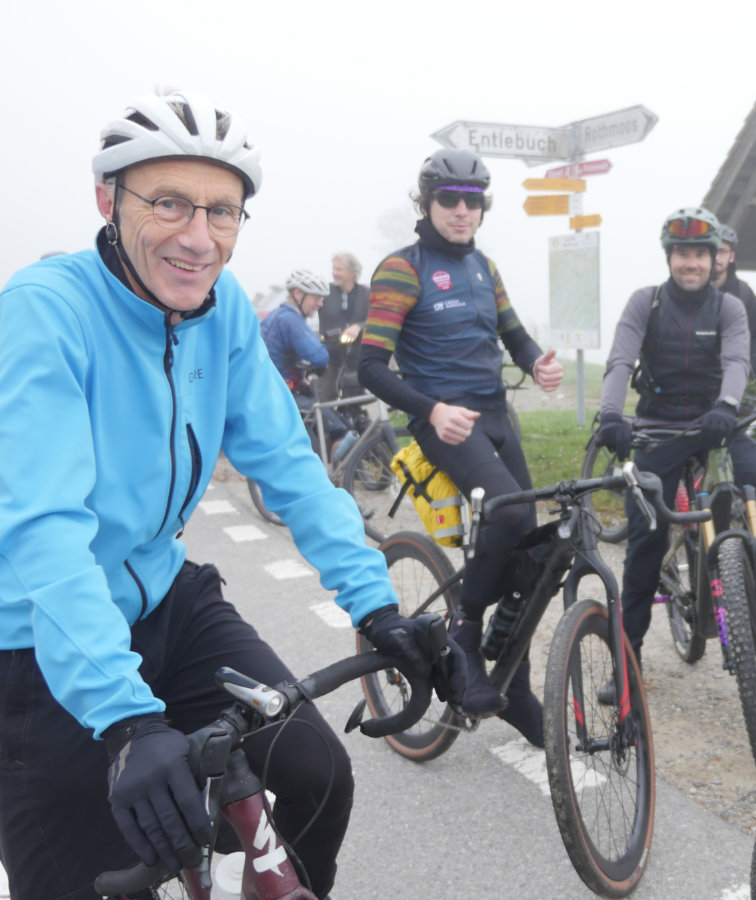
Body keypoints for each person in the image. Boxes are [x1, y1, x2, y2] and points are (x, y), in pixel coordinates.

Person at [0, 88, 444, 900]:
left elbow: (289, 465)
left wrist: (376, 604)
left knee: (319, 776)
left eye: (223, 212)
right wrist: (127, 720)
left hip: (166, 603)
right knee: (89, 882)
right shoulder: (45, 314)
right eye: (168, 203)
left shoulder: (225, 309)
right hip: (37, 636)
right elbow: (46, 534)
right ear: (107, 200)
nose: (198, 238)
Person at [360, 148, 564, 739]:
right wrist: (430, 408)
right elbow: (369, 367)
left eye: (472, 202)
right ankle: (464, 636)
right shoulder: (403, 268)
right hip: (443, 421)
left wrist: (537, 363)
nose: (460, 211)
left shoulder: (484, 268)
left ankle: (514, 684)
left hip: (497, 415)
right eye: (448, 199)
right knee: (509, 512)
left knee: (536, 546)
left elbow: (515, 335)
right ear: (426, 204)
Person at [595, 207, 756, 675]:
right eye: (682, 254)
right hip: (658, 428)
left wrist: (727, 404)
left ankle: (745, 581)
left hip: (714, 425)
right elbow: (620, 361)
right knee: (646, 539)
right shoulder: (646, 303)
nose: (692, 263)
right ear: (670, 258)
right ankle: (627, 660)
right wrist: (611, 415)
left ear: (715, 257)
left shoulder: (729, 307)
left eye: (701, 254)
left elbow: (738, 360)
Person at [260, 268, 356, 462]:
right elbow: (319, 357)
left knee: (326, 420)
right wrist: (327, 348)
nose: (320, 304)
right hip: (285, 395)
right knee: (341, 430)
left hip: (273, 392)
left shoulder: (276, 316)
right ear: (298, 294)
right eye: (316, 298)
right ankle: (334, 475)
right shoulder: (289, 319)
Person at [711, 223, 756, 383]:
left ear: (731, 256)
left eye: (722, 251)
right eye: (712, 250)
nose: (716, 258)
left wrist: (755, 362)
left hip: (733, 377)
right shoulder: (689, 291)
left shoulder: (743, 293)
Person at [317, 251, 370, 401]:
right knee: (325, 397)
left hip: (356, 355)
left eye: (339, 269)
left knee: (354, 396)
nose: (334, 273)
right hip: (330, 356)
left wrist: (359, 326)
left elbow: (376, 319)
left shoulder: (366, 294)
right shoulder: (324, 293)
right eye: (333, 269)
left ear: (353, 273)